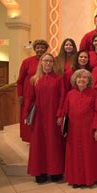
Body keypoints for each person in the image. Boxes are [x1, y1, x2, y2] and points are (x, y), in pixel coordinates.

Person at [23, 53, 65, 183]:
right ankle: (40, 171)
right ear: (41, 63)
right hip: (39, 117)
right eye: (45, 61)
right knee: (39, 144)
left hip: (53, 116)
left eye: (50, 61)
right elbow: (29, 98)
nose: (48, 63)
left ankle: (55, 171)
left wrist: (60, 114)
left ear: (53, 63)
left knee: (54, 143)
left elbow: (62, 98)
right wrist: (25, 114)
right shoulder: (34, 79)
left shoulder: (58, 79)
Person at [62, 69, 97, 188]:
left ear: (89, 81)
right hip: (74, 131)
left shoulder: (94, 93)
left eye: (85, 78)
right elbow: (65, 112)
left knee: (92, 154)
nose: (81, 80)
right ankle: (77, 179)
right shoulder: (70, 94)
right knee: (75, 155)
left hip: (90, 129)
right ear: (75, 80)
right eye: (79, 77)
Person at [17, 40, 49, 142]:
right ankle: (31, 139)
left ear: (46, 49)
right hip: (28, 95)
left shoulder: (49, 61)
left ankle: (41, 138)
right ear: (34, 49)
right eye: (38, 47)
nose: (40, 49)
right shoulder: (27, 62)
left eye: (42, 47)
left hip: (43, 95)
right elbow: (20, 81)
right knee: (29, 116)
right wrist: (20, 95)